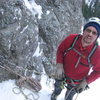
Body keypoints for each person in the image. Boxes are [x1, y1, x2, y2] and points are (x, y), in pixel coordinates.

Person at [51, 17, 100, 100]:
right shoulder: (72, 39)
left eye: (94, 33)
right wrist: (59, 65)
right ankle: (55, 94)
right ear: (83, 31)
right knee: (57, 87)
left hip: (77, 82)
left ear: (97, 36)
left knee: (69, 96)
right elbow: (60, 50)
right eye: (88, 30)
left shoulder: (97, 52)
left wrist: (86, 81)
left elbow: (98, 71)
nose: (90, 34)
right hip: (61, 74)